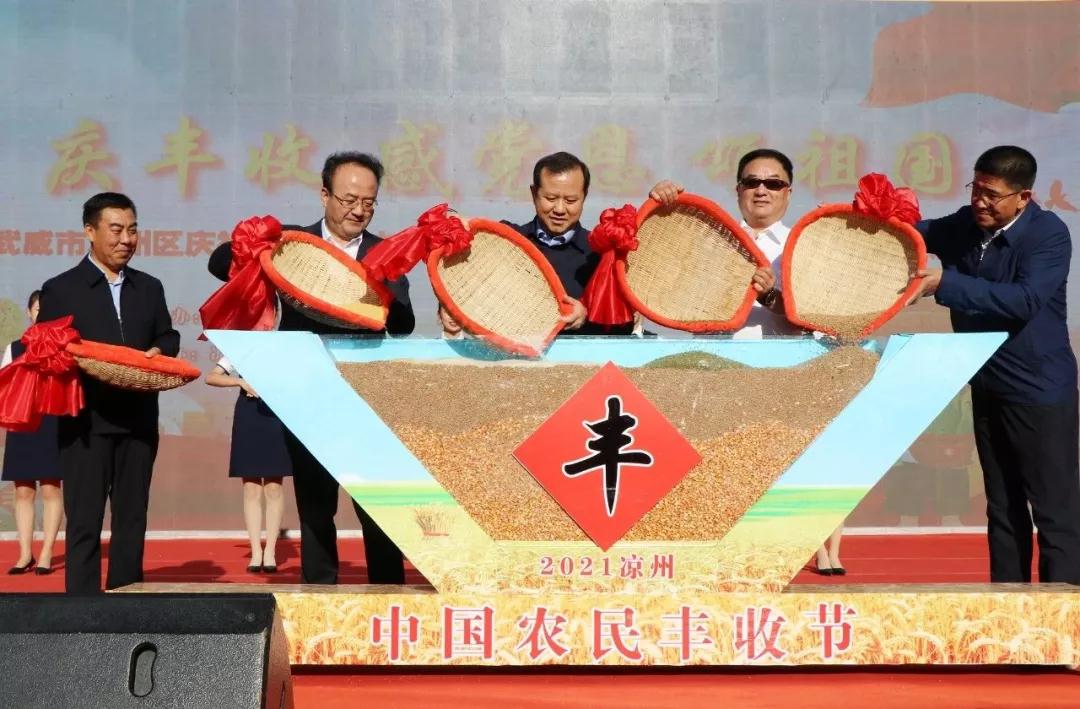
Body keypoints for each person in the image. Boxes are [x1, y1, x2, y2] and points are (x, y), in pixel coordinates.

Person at [209, 151, 415, 584]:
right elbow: (218, 262)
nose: (359, 210)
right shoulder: (292, 245)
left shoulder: (383, 253)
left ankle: (388, 597)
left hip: (364, 401)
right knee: (316, 508)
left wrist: (375, 291)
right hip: (307, 399)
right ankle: (320, 598)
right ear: (324, 195)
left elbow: (404, 323)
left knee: (377, 510)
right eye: (348, 199)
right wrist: (255, 244)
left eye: (369, 202)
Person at [649, 150, 845, 572]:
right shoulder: (708, 240)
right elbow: (659, 270)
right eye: (752, 182)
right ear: (737, 189)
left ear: (788, 192)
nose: (761, 190)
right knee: (720, 471)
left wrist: (773, 298)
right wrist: (662, 206)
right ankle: (722, 559)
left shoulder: (802, 246)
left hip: (784, 375)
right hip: (718, 372)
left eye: (773, 183)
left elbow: (819, 318)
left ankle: (790, 554)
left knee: (784, 470)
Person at [907, 145, 1080, 584]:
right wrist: (877, 217)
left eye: (992, 195)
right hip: (988, 384)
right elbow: (912, 234)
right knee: (1002, 507)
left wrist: (946, 283)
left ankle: (1064, 616)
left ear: (1023, 197)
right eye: (976, 189)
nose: (980, 202)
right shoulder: (965, 224)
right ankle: (1009, 608)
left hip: (1039, 393)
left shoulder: (1048, 235)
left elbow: (1024, 300)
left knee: (1054, 512)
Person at [38, 192, 180, 594]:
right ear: (90, 231)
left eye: (132, 230)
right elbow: (46, 351)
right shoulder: (61, 289)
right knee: (84, 521)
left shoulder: (148, 287)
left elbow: (167, 335)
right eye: (116, 230)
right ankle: (83, 612)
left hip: (138, 421)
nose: (126, 240)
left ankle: (126, 600)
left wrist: (160, 350)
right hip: (85, 423)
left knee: (132, 519)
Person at [439, 151, 634, 338]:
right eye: (550, 198)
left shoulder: (600, 254)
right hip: (513, 357)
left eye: (571, 200)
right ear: (534, 193)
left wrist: (585, 315)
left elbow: (623, 327)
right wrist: (453, 220)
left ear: (584, 197)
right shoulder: (506, 241)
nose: (559, 209)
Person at [205, 356, 290, 573]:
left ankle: (270, 551)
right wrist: (240, 382)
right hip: (248, 415)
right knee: (251, 487)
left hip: (276, 414)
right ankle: (256, 551)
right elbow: (211, 377)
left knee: (274, 486)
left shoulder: (282, 351)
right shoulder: (240, 351)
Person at [1, 290, 63, 575]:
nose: (41, 313)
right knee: (23, 491)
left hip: (52, 421)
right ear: (29, 312)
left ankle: (47, 553)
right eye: (37, 308)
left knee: (51, 488)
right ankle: (25, 554)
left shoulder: (62, 347)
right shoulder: (14, 348)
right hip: (22, 422)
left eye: (47, 309)